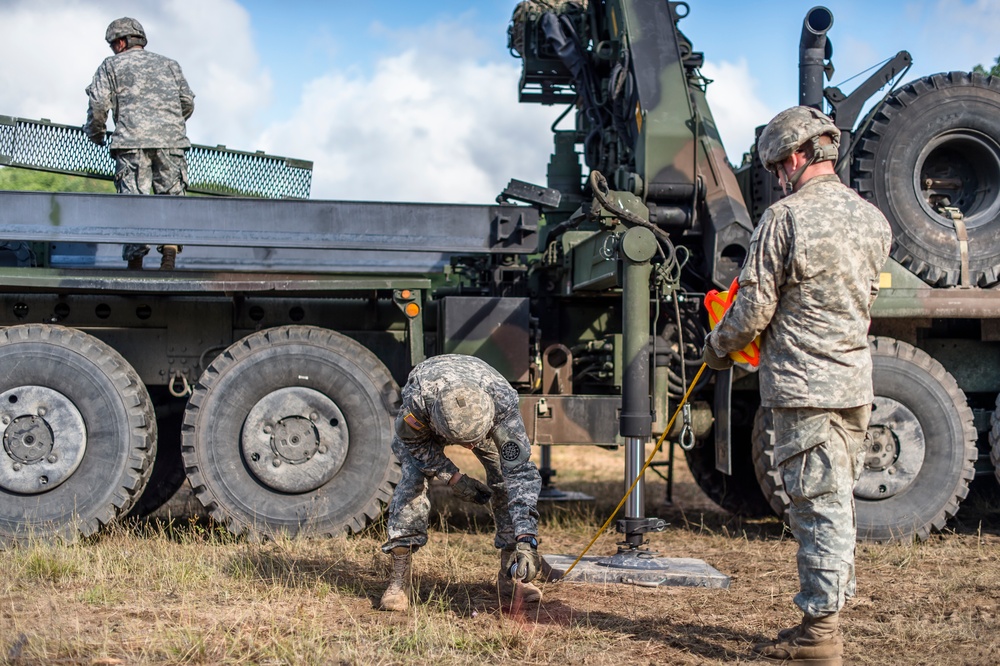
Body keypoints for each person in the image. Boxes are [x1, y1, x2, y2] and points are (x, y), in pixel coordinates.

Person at [702, 106, 891, 664]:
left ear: (792, 158)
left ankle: (821, 633)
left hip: (803, 389)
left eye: (776, 168)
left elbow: (753, 308)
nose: (777, 178)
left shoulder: (784, 219)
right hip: (854, 384)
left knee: (815, 505)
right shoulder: (873, 220)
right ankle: (822, 617)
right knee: (835, 502)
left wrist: (716, 349)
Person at [379, 354, 543, 612]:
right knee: (411, 480)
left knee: (503, 477)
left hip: (482, 407)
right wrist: (453, 478)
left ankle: (511, 576)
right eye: (464, 444)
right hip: (431, 409)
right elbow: (415, 445)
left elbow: (520, 475)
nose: (469, 448)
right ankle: (399, 582)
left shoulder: (502, 403)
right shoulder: (419, 401)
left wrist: (527, 538)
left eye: (473, 442)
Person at [85, 17, 195, 270]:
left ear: (121, 42)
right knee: (171, 197)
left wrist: (96, 133)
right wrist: (168, 124)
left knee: (134, 202)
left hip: (131, 143)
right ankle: (169, 253)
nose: (113, 49)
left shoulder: (110, 66)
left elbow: (99, 105)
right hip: (171, 143)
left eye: (113, 44)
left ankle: (135, 264)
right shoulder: (170, 64)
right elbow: (187, 102)